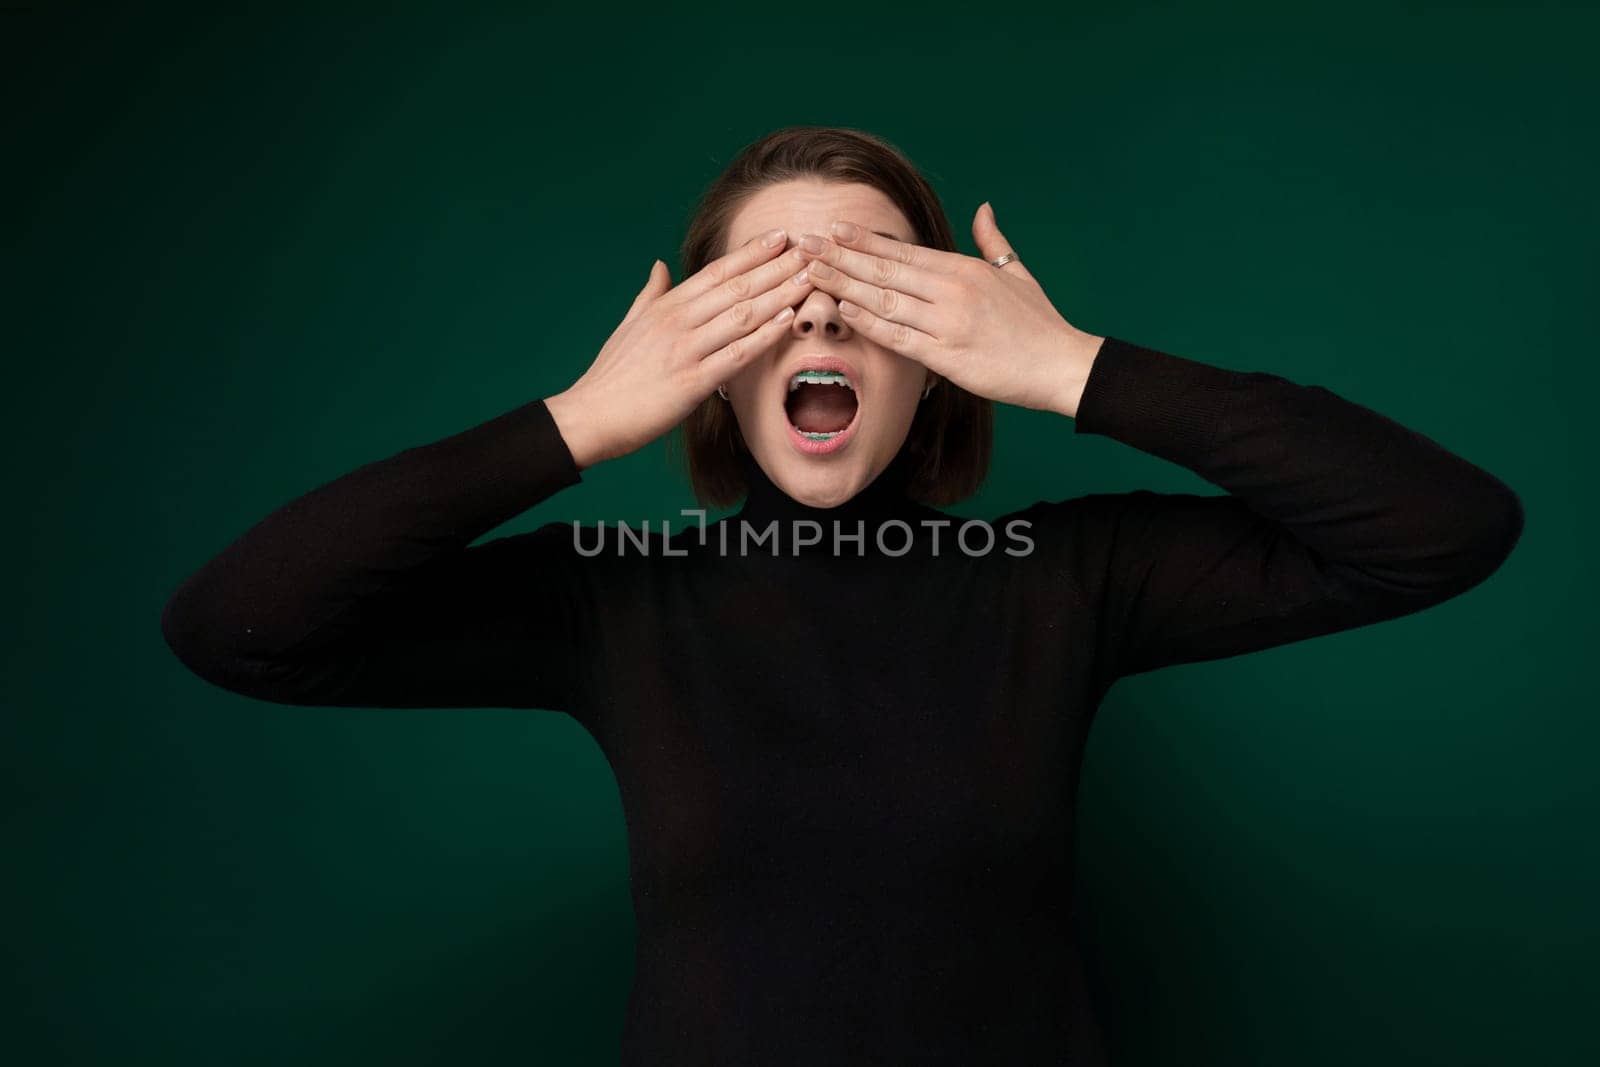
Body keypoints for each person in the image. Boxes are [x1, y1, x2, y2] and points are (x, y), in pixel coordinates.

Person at [159, 126, 1524, 1065]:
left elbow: (1443, 530)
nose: (816, 320)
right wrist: (575, 423)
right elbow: (239, 625)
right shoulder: (619, 599)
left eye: (868, 282)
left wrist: (1073, 367)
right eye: (765, 291)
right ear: (705, 359)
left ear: (940, 352)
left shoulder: (1057, 580)